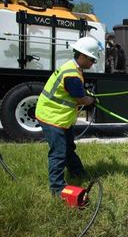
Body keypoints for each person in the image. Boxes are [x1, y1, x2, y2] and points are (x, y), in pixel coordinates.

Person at [35, 36, 102, 197]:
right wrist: (91, 100)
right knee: (58, 152)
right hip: (52, 117)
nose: (93, 63)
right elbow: (80, 99)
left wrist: (88, 96)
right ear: (82, 56)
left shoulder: (73, 68)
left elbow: (76, 93)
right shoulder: (72, 74)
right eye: (92, 59)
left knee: (69, 149)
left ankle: (78, 173)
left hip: (61, 118)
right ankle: (57, 189)